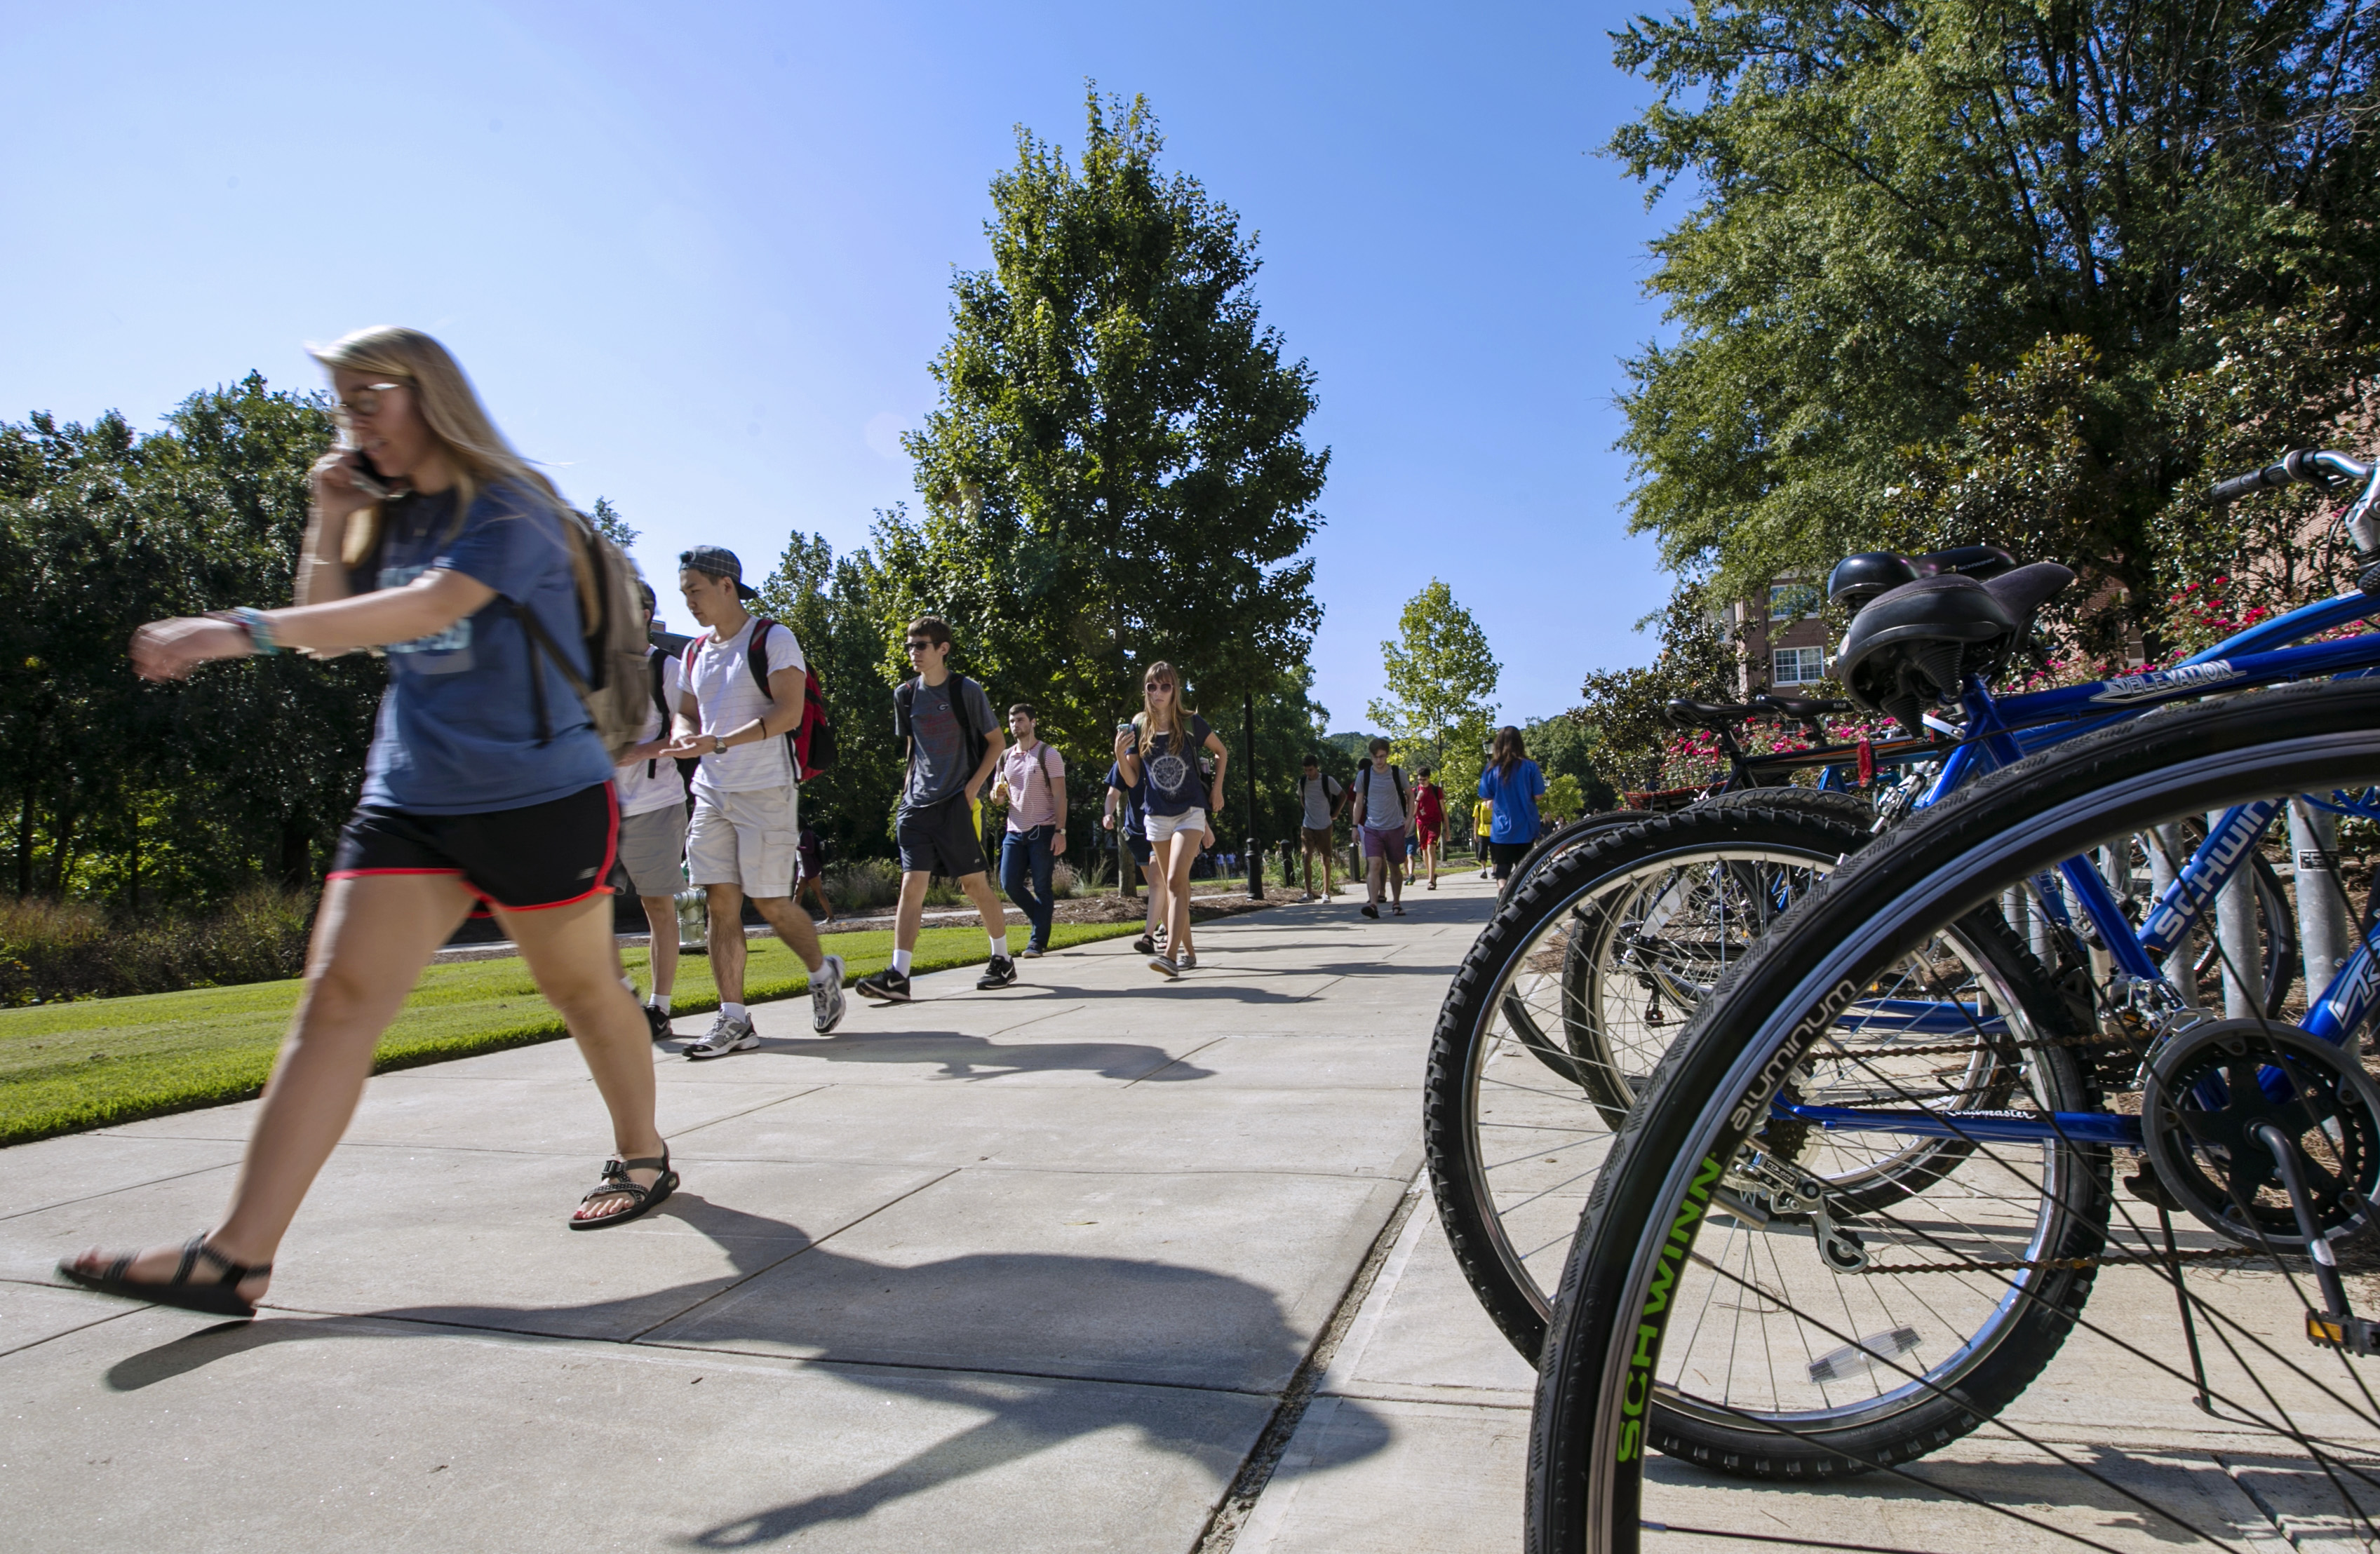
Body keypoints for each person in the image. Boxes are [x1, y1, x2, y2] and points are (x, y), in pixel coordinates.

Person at [61, 326, 676, 1319]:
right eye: (341, 404)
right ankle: (236, 1258)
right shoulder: (390, 514)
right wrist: (330, 507)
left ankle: (642, 1154)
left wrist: (230, 632)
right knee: (339, 998)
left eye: (367, 397)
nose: (351, 421)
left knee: (582, 989)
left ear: (427, 393)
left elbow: (420, 609)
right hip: (412, 795)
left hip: (538, 795)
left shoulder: (511, 506)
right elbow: (330, 624)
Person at [657, 546, 845, 1058]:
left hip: (765, 790)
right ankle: (734, 1019)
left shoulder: (772, 639)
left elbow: (787, 714)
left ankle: (820, 971)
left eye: (694, 590)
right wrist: (682, 735)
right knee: (720, 904)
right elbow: (687, 716)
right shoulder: (694, 653)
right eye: (684, 593)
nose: (689, 601)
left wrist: (716, 743)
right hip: (712, 791)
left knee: (770, 904)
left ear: (725, 586)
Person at [851, 617, 1015, 1002]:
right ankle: (899, 975)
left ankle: (1002, 959)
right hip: (916, 807)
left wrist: (972, 789)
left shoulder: (966, 691)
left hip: (955, 802)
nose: (914, 652)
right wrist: (907, 790)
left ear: (943, 649)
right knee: (912, 886)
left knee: (974, 886)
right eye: (910, 646)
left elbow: (996, 742)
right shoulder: (904, 695)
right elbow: (913, 747)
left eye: (922, 645)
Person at [1114, 661, 1229, 978]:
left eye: (1165, 686)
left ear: (1175, 689)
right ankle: (1189, 951)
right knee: (1172, 886)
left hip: (1190, 811)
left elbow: (1222, 752)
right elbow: (1133, 780)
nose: (1158, 692)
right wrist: (1119, 756)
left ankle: (1170, 955)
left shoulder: (1191, 722)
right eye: (1152, 686)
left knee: (1177, 881)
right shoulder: (1139, 726)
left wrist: (1216, 790)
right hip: (1156, 816)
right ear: (1146, 691)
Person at [613, 579, 692, 1039]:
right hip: (601, 804)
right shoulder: (594, 670)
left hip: (655, 805)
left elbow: (686, 738)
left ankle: (659, 1008)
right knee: (582, 908)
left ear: (644, 614)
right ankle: (624, 993)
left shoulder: (667, 668)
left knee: (657, 906)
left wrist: (639, 751)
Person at [993, 702, 1068, 957]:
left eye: (1021, 720)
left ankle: (1037, 942)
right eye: (1013, 721)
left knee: (1042, 887)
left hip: (1043, 830)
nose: (1016, 726)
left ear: (1033, 722)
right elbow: (999, 798)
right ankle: (1040, 917)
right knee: (1009, 884)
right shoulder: (1004, 757)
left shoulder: (1048, 754)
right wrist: (997, 795)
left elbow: (1060, 795)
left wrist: (1061, 831)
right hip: (1014, 831)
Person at [1105, 750, 1164, 956]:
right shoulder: (1122, 764)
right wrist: (1107, 813)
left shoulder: (1157, 760)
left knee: (1158, 883)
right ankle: (1169, 926)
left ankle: (1149, 937)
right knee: (1155, 885)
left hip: (1160, 829)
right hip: (1136, 832)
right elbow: (1113, 794)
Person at [1353, 737, 1416, 919]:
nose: (1379, 761)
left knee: (1395, 866)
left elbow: (1410, 796)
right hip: (1372, 827)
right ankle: (1373, 904)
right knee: (1374, 864)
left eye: (1382, 757)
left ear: (1387, 755)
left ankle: (1396, 902)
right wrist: (1354, 826)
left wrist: (1409, 818)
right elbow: (1358, 802)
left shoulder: (1398, 773)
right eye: (1375, 757)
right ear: (1371, 756)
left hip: (1395, 826)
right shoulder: (1363, 776)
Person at [1479, 725, 1547, 884]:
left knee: (1502, 869)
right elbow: (1538, 795)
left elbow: (1485, 796)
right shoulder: (1530, 766)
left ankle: (1503, 891)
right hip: (1526, 826)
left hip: (1501, 828)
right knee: (1525, 868)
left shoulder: (1491, 769)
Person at [1294, 755, 1343, 902]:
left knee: (1326, 858)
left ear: (1317, 767)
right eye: (1306, 770)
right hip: (1308, 824)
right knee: (1306, 857)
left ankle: (1326, 892)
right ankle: (1308, 893)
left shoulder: (1327, 780)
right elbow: (1302, 797)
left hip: (1324, 824)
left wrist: (1335, 814)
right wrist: (1307, 810)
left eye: (1311, 770)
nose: (1309, 773)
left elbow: (1342, 795)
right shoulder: (1303, 782)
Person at [1412, 764, 1446, 890]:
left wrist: (1447, 828)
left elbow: (1443, 809)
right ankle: (1431, 874)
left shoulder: (1437, 790)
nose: (1421, 782)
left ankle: (1431, 881)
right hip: (1421, 823)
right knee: (1424, 850)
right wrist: (1417, 799)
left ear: (1429, 778)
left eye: (1424, 780)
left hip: (1435, 822)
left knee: (1431, 848)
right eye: (1419, 780)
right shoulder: (1415, 791)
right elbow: (1413, 812)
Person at [796, 823, 834, 923]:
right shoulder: (799, 834)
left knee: (819, 892)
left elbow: (810, 849)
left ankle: (831, 917)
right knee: (798, 893)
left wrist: (797, 848)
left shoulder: (807, 833)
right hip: (803, 868)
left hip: (811, 869)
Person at [1474, 792, 1496, 879]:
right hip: (1482, 833)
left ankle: (1494, 871)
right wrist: (1475, 834)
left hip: (1494, 833)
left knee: (1494, 853)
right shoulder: (1478, 807)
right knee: (1482, 852)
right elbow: (1476, 821)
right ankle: (1484, 871)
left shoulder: (1495, 806)